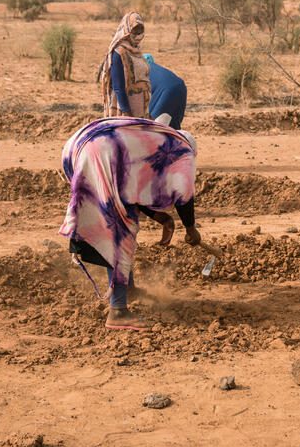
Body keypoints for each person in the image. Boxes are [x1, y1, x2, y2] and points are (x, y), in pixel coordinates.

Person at [59, 117, 201, 331]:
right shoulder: (182, 151)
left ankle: (128, 288)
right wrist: (191, 229)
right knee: (120, 232)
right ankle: (118, 311)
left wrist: (160, 217)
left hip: (78, 148)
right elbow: (185, 195)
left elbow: (131, 187)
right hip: (101, 153)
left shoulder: (152, 137)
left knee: (118, 218)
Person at [97, 12, 151, 118]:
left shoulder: (137, 51)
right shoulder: (119, 52)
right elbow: (118, 86)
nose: (138, 33)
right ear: (127, 29)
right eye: (135, 29)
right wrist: (126, 111)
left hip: (140, 104)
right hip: (124, 107)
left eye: (141, 30)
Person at [142, 53, 187, 130]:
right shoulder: (156, 69)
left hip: (166, 91)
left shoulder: (140, 70)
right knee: (174, 129)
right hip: (181, 86)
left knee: (154, 129)